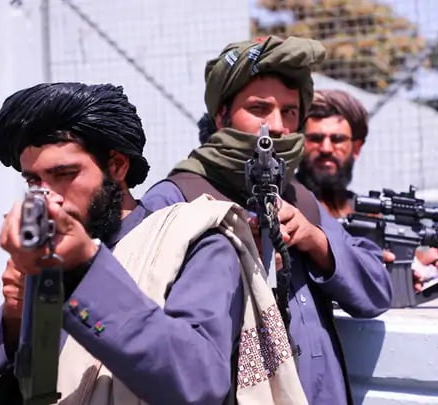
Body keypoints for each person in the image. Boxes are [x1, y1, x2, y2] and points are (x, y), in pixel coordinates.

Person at [141, 35, 392, 405]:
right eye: (259, 108)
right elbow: (143, 328)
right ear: (222, 115)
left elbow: (376, 292)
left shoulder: (300, 199)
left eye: (289, 112)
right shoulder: (175, 198)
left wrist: (315, 241)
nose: (275, 126)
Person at [0, 82, 254, 404]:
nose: (49, 197)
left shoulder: (194, 239)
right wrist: (15, 318)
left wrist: (85, 272)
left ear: (116, 166)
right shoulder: (46, 255)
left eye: (64, 174)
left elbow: (198, 383)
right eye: (34, 181)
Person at [296, 89, 367, 218]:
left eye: (337, 139)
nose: (326, 149)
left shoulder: (367, 213)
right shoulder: (282, 205)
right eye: (316, 139)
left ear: (356, 148)